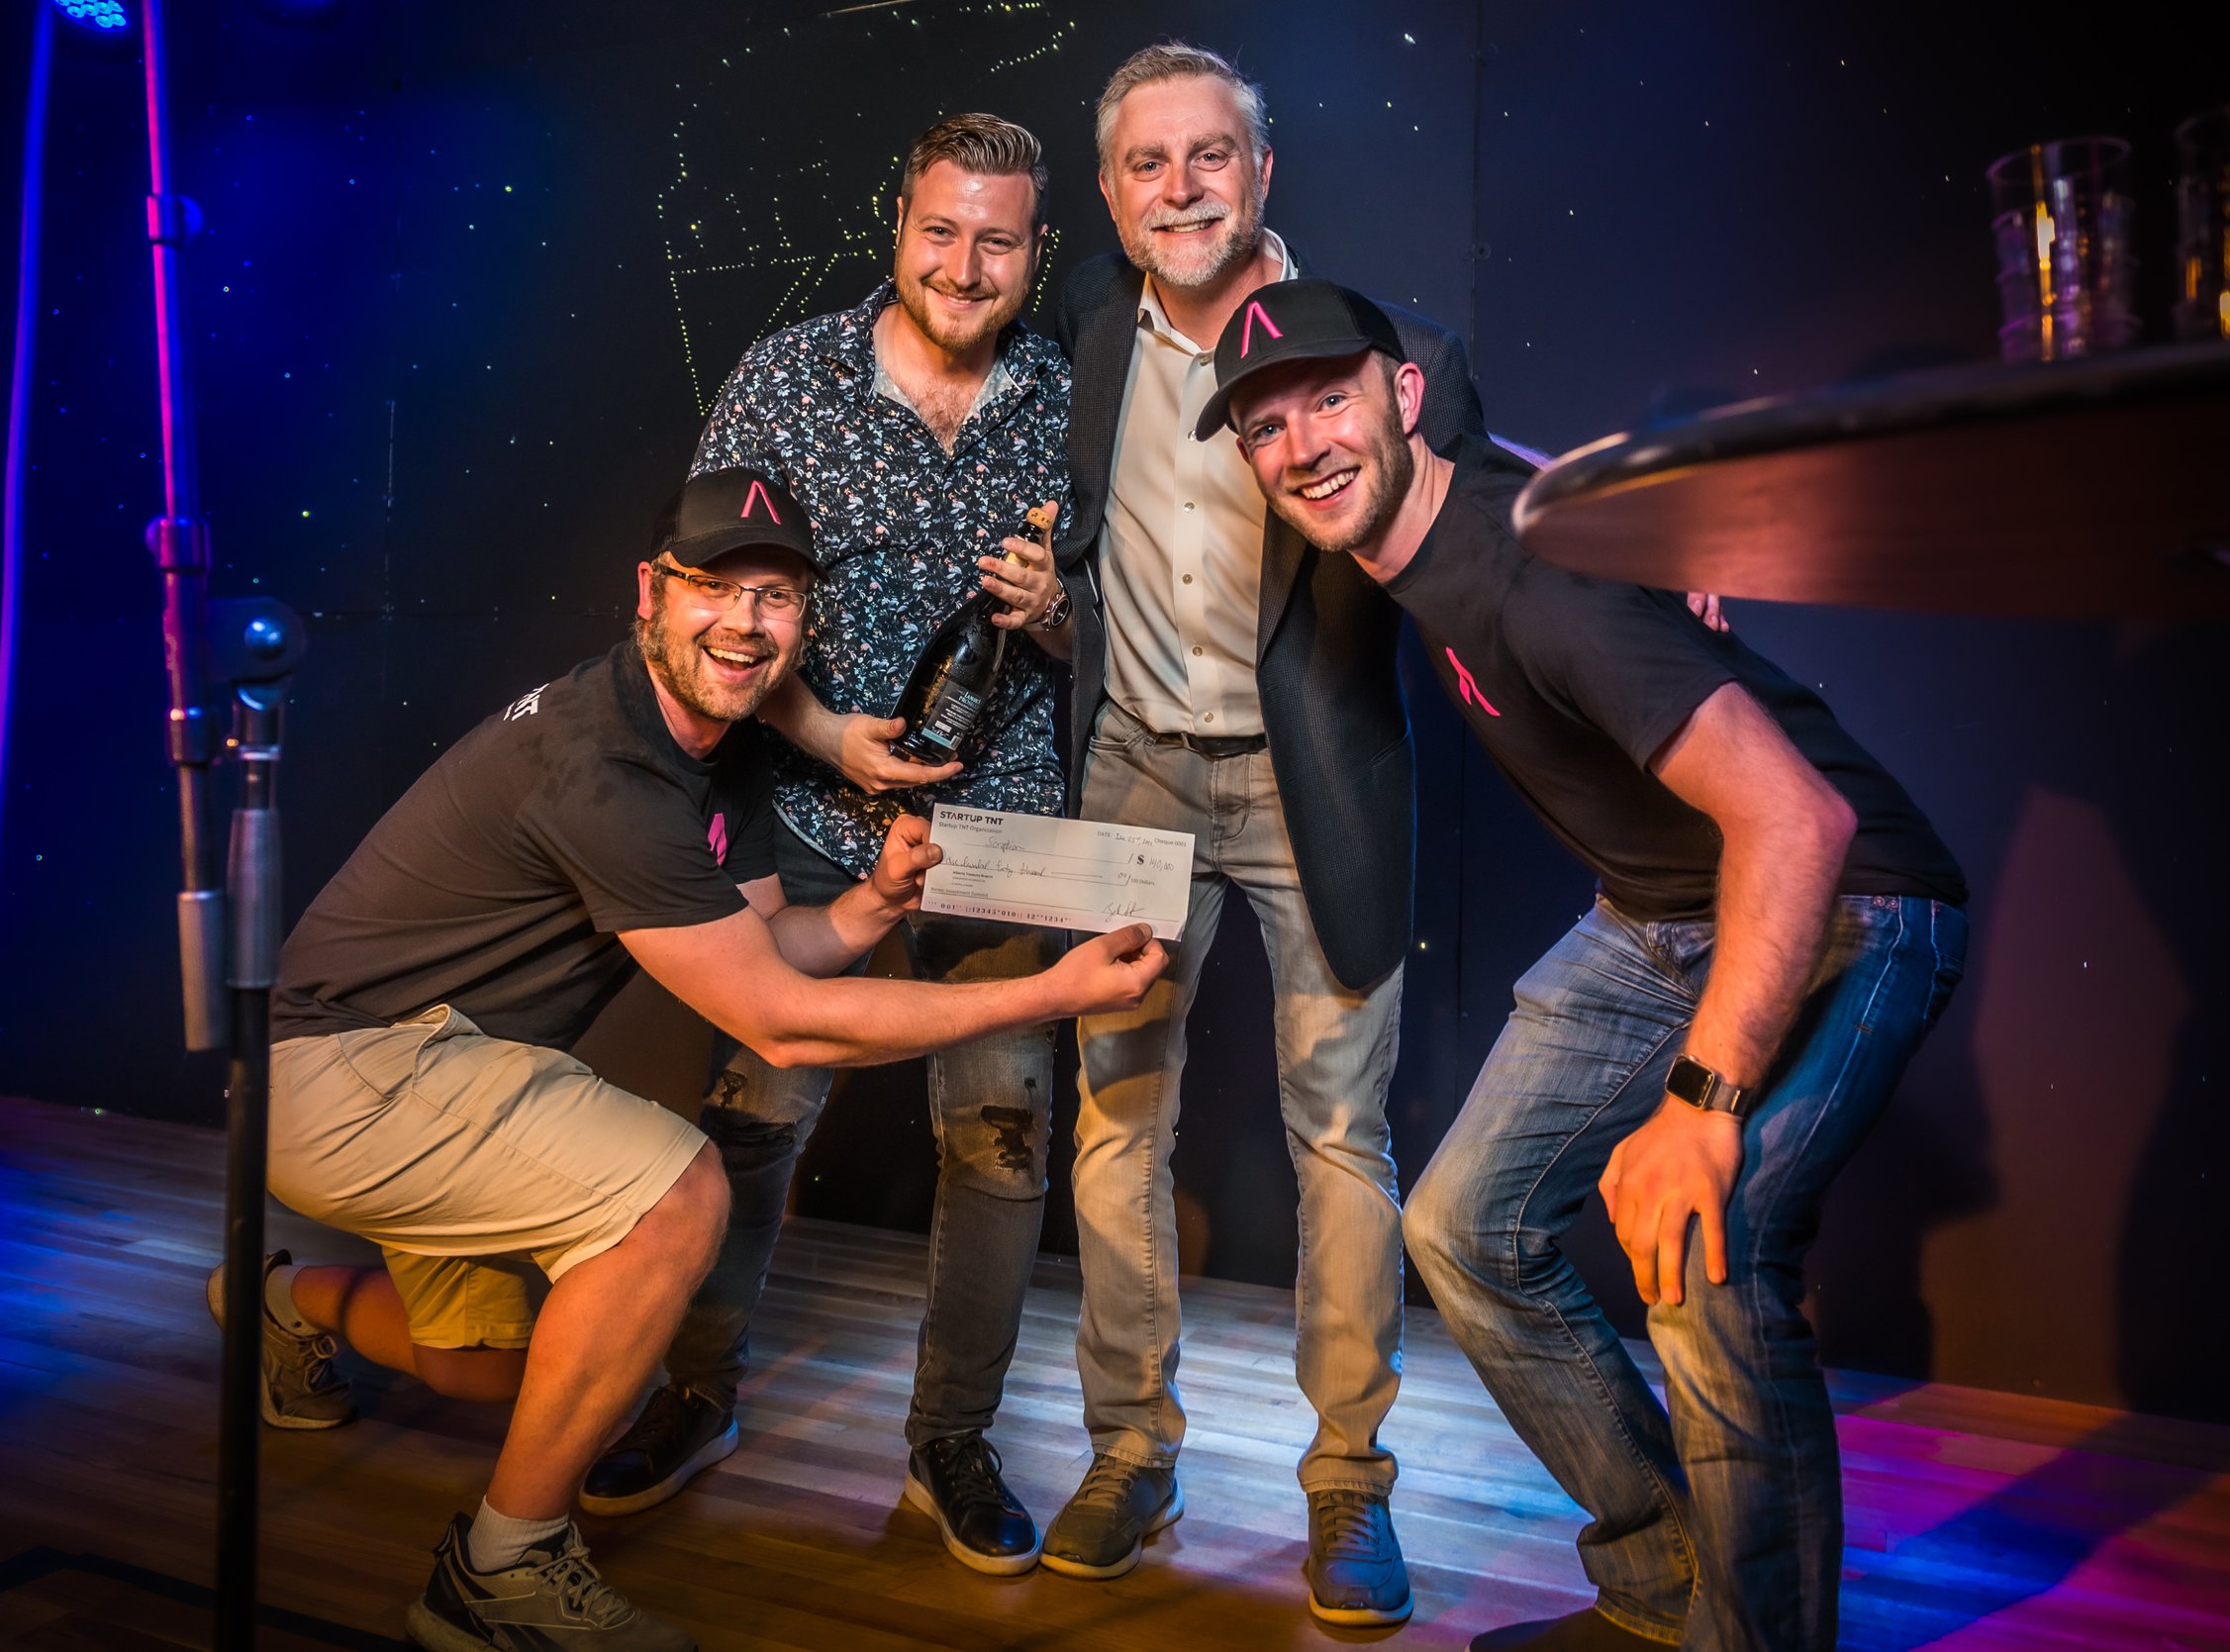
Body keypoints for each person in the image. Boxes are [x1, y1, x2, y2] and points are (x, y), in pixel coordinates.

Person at [222, 466, 1163, 1652]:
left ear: (802, 622)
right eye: (711, 586)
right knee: (678, 1199)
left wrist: (872, 904)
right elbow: (780, 1020)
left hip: (437, 1068)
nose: (743, 621)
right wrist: (1054, 990)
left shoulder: (720, 756)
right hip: (347, 1073)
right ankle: (496, 1573)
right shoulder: (600, 760)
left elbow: (773, 947)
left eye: (774, 598)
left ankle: (271, 1303)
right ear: (649, 595)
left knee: (506, 1377)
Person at [1205, 276, 1971, 1652]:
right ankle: (1666, 1585)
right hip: (1658, 912)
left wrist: (1703, 1108)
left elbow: (1800, 820)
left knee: (1707, 1246)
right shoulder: (1437, 517)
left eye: (1330, 397)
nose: (1304, 444)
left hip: (1852, 902)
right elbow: (1525, 468)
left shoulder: (1538, 588)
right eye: (1266, 426)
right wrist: (1634, 509)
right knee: (1460, 1228)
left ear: (1406, 397)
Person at [580, 114, 1081, 1577]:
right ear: (900, 223)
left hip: (1006, 827)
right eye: (942, 229)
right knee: (752, 1121)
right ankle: (697, 1394)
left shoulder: (1066, 392)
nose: (966, 264)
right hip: (810, 813)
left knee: (999, 1144)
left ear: (1035, 250)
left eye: (998, 239)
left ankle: (952, 1443)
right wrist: (829, 741)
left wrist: (1056, 607)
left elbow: (1122, 623)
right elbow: (709, 604)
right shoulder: (787, 375)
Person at [1037, 42, 1496, 1626]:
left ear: (1262, 173)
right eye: (1147, 165)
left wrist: (1655, 550)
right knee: (1114, 1129)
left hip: (1316, 788)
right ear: (1110, 196)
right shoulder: (1085, 342)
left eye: (1208, 156)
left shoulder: (1386, 349)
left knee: (1339, 1139)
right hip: (1132, 775)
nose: (1180, 188)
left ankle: (1349, 1488)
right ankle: (1128, 1450)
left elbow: (1498, 509)